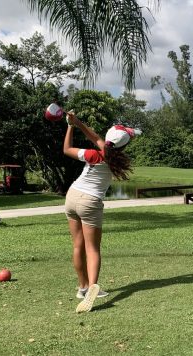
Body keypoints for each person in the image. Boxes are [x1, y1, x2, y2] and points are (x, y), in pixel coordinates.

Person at [63, 111, 141, 313]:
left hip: (72, 196)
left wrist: (71, 125)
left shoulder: (93, 154)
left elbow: (67, 149)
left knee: (78, 246)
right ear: (123, 146)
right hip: (90, 202)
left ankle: (83, 287)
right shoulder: (118, 159)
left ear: (107, 139)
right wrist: (78, 122)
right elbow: (95, 137)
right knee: (93, 248)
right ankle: (91, 291)